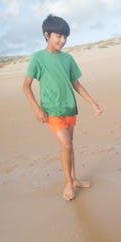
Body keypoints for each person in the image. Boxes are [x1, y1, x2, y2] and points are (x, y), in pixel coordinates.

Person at [23, 14, 102, 201]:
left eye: (65, 36)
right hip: (51, 111)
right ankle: (68, 183)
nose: (63, 40)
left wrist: (92, 103)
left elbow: (76, 84)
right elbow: (25, 86)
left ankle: (74, 179)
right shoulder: (38, 58)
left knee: (70, 146)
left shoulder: (67, 59)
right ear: (46, 35)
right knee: (66, 145)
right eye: (58, 36)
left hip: (69, 108)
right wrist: (37, 109)